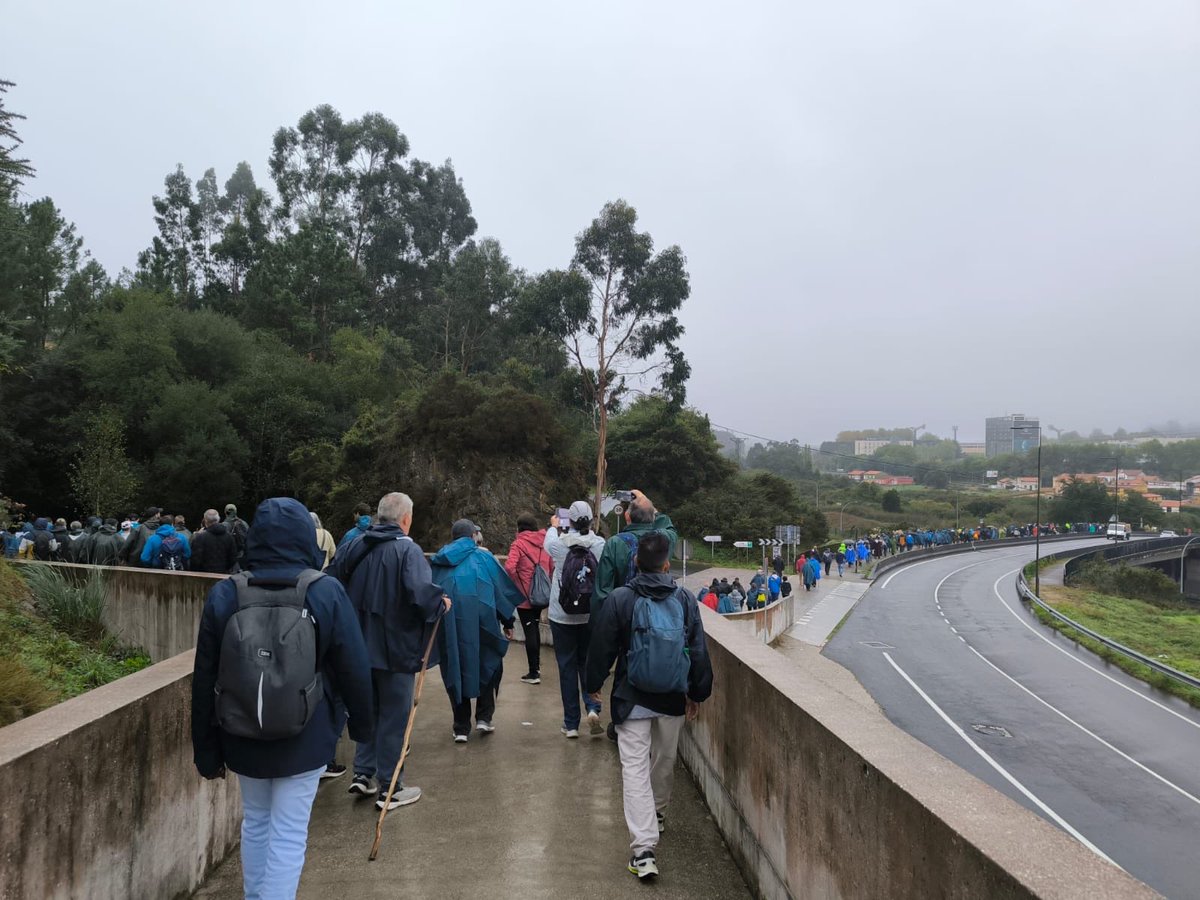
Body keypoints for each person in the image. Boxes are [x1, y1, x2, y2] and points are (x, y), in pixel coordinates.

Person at [191, 497, 374, 900]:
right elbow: (353, 667)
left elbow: (204, 678)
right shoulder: (325, 591)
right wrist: (362, 726)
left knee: (255, 821)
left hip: (241, 730)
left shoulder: (226, 594)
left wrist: (206, 748)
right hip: (305, 733)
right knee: (289, 832)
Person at [585, 531, 713, 881]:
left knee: (634, 770)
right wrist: (697, 694)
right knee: (665, 760)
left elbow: (601, 648)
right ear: (667, 564)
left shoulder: (620, 599)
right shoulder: (685, 599)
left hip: (631, 698)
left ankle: (643, 851)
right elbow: (698, 650)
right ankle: (656, 814)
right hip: (673, 697)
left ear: (636, 563)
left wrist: (592, 686)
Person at [327, 492, 449, 810]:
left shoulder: (354, 544)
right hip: (395, 649)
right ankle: (390, 787)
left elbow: (332, 581)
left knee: (367, 713)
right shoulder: (407, 550)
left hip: (356, 647)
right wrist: (441, 603)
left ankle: (363, 774)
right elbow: (422, 596)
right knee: (394, 718)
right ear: (406, 519)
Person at [431, 519, 521, 742]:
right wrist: (508, 622)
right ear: (473, 536)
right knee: (488, 664)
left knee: (455, 665)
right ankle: (484, 717)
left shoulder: (439, 561)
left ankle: (461, 726)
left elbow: (429, 594)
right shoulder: (484, 557)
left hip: (450, 625)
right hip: (483, 624)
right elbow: (501, 592)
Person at [544, 500, 607, 737]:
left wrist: (553, 525)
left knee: (567, 667)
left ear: (568, 521)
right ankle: (593, 707)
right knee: (588, 663)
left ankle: (571, 724)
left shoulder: (558, 544)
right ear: (591, 521)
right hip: (589, 614)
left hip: (561, 615)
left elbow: (547, 541)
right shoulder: (600, 544)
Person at [593, 490, 678, 612]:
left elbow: (602, 591)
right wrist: (646, 502)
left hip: (623, 616)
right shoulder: (662, 539)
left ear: (627, 516)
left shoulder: (615, 543)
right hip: (656, 618)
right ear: (653, 517)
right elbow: (670, 528)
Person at [504, 513, 552, 686]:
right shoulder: (545, 543)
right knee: (535, 629)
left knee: (530, 631)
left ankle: (534, 672)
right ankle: (536, 668)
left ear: (519, 528)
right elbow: (551, 566)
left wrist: (518, 580)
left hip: (524, 597)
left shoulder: (519, 544)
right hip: (540, 595)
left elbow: (509, 567)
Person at [191, 509, 239, 575]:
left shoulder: (200, 538)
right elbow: (233, 558)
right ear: (218, 519)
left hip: (204, 576)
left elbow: (195, 560)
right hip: (223, 575)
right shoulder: (229, 537)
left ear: (205, 521)